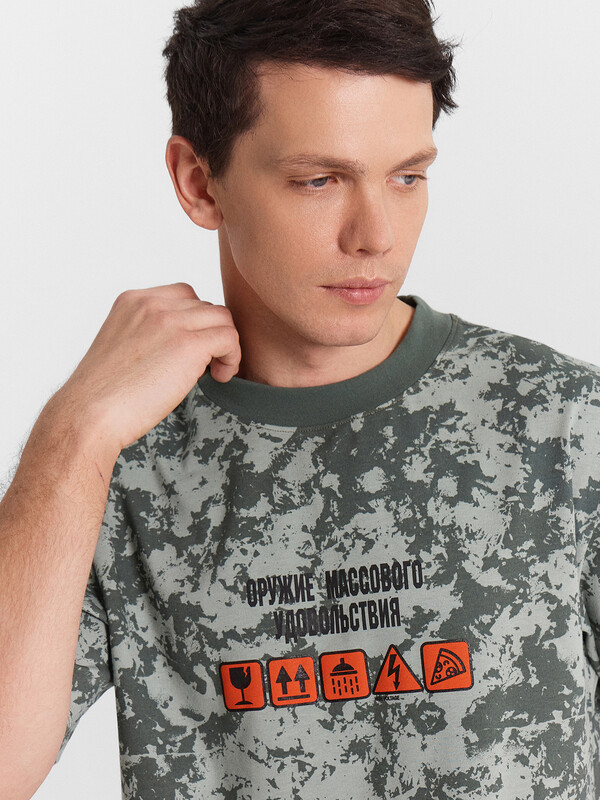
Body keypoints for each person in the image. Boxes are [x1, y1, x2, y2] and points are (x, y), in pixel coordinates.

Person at [0, 0, 599, 798]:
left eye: (407, 176)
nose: (376, 234)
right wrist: (74, 431)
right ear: (199, 183)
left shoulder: (565, 424)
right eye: (319, 180)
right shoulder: (119, 469)